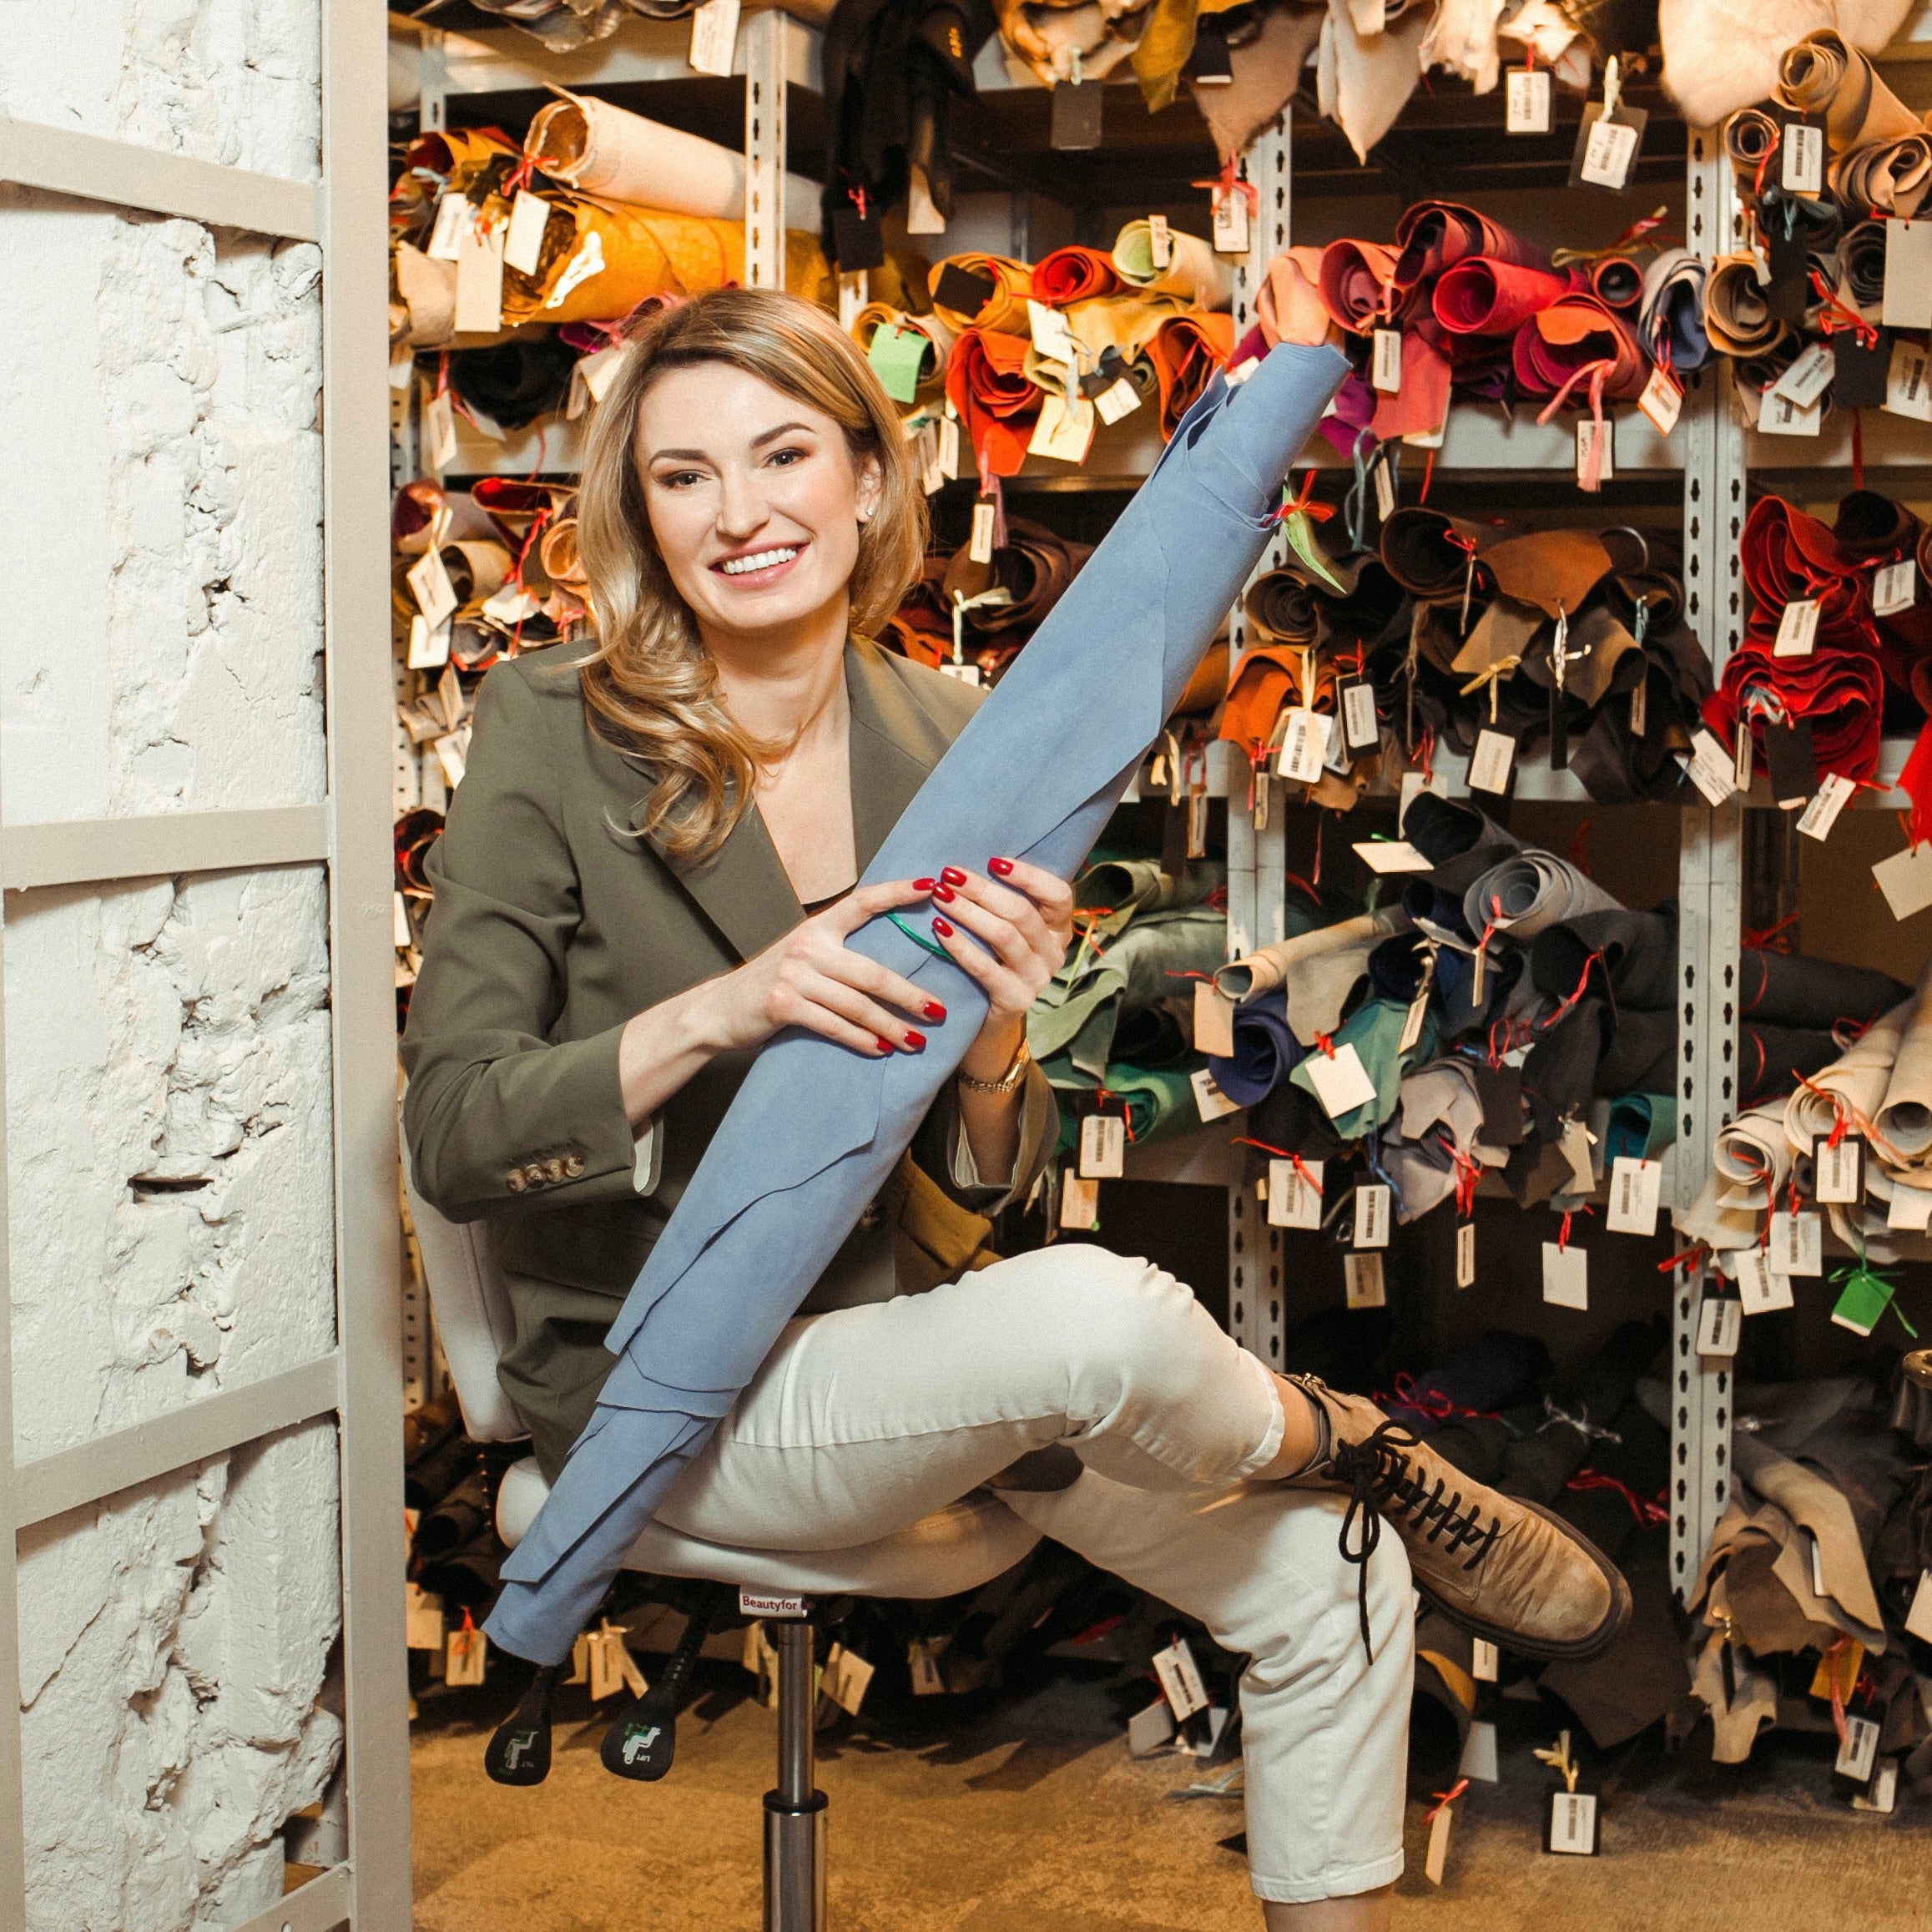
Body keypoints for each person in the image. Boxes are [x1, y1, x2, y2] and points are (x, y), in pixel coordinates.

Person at [401, 287, 1630, 1927]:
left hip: (903, 1342)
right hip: (649, 1385)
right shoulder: (553, 728)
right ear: (638, 507)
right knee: (1105, 1323)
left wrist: (990, 1035)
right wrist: (725, 1007)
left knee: (1338, 1572)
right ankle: (1348, 1431)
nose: (742, 511)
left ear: (866, 475)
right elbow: (457, 1132)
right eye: (684, 475)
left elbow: (997, 1170)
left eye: (782, 455)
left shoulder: (956, 733)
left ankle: (1351, 1575)